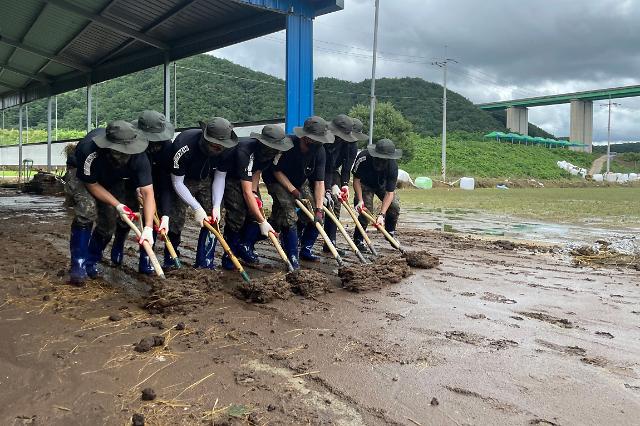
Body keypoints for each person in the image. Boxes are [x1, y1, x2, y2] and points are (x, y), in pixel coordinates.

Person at [66, 121, 155, 285]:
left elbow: (148, 192)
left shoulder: (139, 155)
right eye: (118, 152)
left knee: (108, 224)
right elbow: (91, 184)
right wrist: (117, 204)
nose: (123, 155)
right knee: (87, 210)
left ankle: (90, 261)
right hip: (83, 175)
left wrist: (148, 227)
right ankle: (78, 264)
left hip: (113, 177)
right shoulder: (89, 150)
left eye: (126, 153)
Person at [263, 116, 334, 269]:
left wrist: (319, 209)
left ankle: (305, 249)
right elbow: (276, 171)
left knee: (316, 210)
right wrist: (293, 190)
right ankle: (292, 256)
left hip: (300, 181)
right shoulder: (287, 144)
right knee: (289, 215)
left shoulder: (320, 151)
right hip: (277, 180)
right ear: (306, 138)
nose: (318, 144)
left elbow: (320, 182)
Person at [220, 125, 293, 270]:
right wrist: (262, 221)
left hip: (249, 179)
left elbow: (257, 172)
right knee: (238, 214)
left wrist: (254, 192)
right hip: (231, 178)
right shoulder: (245, 151)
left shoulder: (270, 154)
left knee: (256, 208)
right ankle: (230, 256)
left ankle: (245, 246)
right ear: (263, 144)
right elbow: (245, 191)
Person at [169, 117, 238, 269]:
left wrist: (216, 205)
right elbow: (177, 182)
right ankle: (170, 258)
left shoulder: (228, 150)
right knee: (176, 217)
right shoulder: (183, 145)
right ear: (206, 139)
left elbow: (220, 177)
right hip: (184, 179)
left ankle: (205, 262)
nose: (218, 149)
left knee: (214, 217)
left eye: (221, 147)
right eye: (215, 146)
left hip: (207, 177)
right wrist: (196, 207)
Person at [115, 110, 176, 274]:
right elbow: (129, 168)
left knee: (153, 221)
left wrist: (166, 215)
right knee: (126, 216)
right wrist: (136, 186)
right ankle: (118, 245)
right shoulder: (131, 142)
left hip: (155, 182)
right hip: (132, 181)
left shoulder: (167, 147)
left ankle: (146, 258)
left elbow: (165, 183)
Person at [322, 114, 366, 255]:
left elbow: (346, 168)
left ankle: (330, 243)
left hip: (332, 171)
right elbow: (325, 166)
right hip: (317, 169)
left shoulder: (351, 145)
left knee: (335, 203)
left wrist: (344, 185)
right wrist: (329, 187)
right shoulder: (328, 139)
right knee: (315, 203)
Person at [352, 138, 402, 250]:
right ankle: (358, 239)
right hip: (364, 185)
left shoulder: (393, 166)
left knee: (394, 206)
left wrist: (382, 215)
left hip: (381, 185)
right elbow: (356, 180)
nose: (381, 162)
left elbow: (389, 193)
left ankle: (390, 233)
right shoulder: (363, 158)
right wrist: (360, 200)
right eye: (379, 159)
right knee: (366, 210)